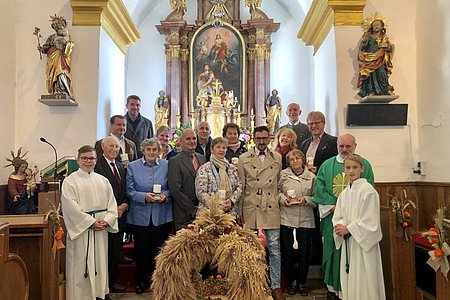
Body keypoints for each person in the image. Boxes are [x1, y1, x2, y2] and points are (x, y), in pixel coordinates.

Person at [314, 134, 374, 300]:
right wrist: (334, 207)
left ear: (355, 145)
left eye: (348, 146)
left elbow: (367, 190)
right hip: (332, 218)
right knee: (332, 252)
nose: (345, 150)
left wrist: (348, 215)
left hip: (355, 221)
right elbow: (320, 188)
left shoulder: (364, 165)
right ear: (337, 146)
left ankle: (351, 291)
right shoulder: (326, 165)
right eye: (341, 146)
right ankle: (332, 289)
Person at [61, 145, 118, 300]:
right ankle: (80, 296)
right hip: (82, 230)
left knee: (100, 263)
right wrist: (91, 222)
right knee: (80, 266)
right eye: (85, 158)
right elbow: (70, 207)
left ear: (96, 160)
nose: (88, 161)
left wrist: (106, 221)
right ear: (78, 160)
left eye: (91, 158)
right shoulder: (70, 181)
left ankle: (99, 294)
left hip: (100, 229)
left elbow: (112, 204)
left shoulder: (103, 180)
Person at [237, 126, 285, 300]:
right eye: (259, 138)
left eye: (265, 138)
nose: (262, 142)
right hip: (251, 205)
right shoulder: (243, 158)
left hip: (271, 204)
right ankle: (251, 284)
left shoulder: (278, 158)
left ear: (270, 139)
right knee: (250, 248)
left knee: (274, 248)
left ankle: (275, 286)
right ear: (254, 139)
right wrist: (240, 210)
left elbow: (279, 184)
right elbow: (241, 187)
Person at [332, 154, 385, 300]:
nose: (351, 171)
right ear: (344, 169)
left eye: (354, 167)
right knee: (351, 277)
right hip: (349, 242)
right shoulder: (345, 193)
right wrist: (341, 226)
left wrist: (349, 228)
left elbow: (370, 219)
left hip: (363, 243)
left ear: (362, 168)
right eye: (348, 167)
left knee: (365, 278)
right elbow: (338, 216)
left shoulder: (367, 190)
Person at [126, 138, 173, 294]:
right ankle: (141, 280)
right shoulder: (133, 167)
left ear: (159, 151)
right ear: (143, 151)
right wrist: (144, 197)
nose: (152, 152)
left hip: (162, 216)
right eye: (149, 149)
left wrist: (165, 196)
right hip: (140, 216)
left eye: (154, 149)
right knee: (141, 251)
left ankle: (158, 282)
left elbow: (172, 187)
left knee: (159, 251)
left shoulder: (167, 165)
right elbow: (129, 190)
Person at [94, 136, 129, 294]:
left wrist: (124, 205)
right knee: (104, 253)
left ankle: (112, 281)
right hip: (104, 217)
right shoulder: (97, 166)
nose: (114, 149)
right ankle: (103, 286)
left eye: (116, 146)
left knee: (115, 251)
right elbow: (98, 193)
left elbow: (124, 190)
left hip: (119, 216)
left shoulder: (120, 167)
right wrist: (114, 209)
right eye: (111, 146)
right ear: (102, 147)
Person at [278, 150, 316, 296]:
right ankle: (291, 281)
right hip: (286, 217)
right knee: (287, 252)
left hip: (305, 218)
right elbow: (276, 191)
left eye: (297, 158)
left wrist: (305, 200)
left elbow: (316, 197)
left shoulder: (311, 177)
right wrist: (283, 200)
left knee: (304, 252)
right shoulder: (282, 175)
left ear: (303, 160)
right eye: (291, 159)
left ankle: (302, 281)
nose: (295, 161)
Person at [168, 128, 207, 230]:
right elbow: (175, 189)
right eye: (188, 139)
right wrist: (192, 209)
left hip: (203, 213)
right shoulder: (174, 161)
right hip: (183, 214)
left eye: (194, 138)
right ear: (181, 142)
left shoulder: (202, 158)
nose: (192, 141)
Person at [195, 137, 242, 218]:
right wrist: (216, 205)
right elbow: (200, 192)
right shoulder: (205, 168)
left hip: (230, 213)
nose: (221, 150)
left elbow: (239, 186)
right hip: (209, 214)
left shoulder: (232, 168)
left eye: (224, 148)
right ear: (212, 149)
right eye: (218, 147)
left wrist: (231, 201)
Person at [39, 15, 74, 99]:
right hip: (52, 58)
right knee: (53, 74)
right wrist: (41, 49)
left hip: (61, 57)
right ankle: (55, 90)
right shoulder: (51, 37)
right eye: (54, 26)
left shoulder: (66, 35)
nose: (56, 27)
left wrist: (65, 44)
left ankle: (63, 91)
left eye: (57, 25)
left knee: (61, 72)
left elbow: (69, 45)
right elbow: (46, 47)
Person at [357, 18, 394, 97]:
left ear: (382, 27)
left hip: (380, 58)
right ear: (371, 27)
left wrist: (386, 46)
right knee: (371, 74)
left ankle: (385, 88)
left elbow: (390, 47)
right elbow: (362, 47)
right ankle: (371, 90)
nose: (376, 26)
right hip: (370, 58)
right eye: (374, 25)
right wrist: (364, 41)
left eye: (378, 25)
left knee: (382, 72)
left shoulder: (384, 37)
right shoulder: (369, 36)